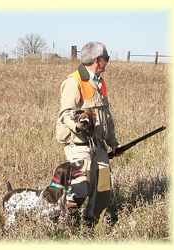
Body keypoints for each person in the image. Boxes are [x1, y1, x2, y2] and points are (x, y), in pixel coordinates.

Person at [56, 41, 119, 230]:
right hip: (79, 145)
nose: (108, 62)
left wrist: (113, 142)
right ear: (98, 60)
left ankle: (94, 228)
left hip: (98, 145)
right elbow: (65, 114)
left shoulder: (99, 82)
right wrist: (77, 125)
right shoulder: (74, 81)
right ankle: (68, 223)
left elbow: (106, 115)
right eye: (106, 58)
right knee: (80, 190)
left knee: (102, 189)